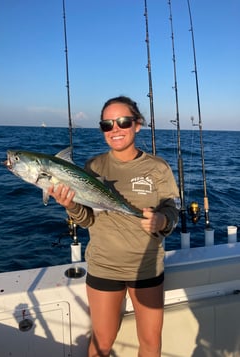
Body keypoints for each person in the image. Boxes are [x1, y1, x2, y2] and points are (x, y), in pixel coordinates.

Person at [48, 96, 180, 357]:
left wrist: (161, 220)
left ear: (137, 124)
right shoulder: (94, 166)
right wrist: (69, 205)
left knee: (151, 342)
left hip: (147, 267)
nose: (115, 129)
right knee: (101, 343)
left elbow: (172, 211)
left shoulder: (157, 167)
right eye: (107, 125)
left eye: (123, 121)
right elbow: (87, 219)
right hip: (104, 265)